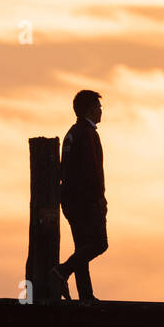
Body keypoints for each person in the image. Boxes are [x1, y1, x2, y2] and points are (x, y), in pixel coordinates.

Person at [53, 89, 108, 301]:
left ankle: (85, 294)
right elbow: (92, 170)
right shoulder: (87, 134)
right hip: (85, 201)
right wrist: (99, 199)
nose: (101, 110)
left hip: (70, 201)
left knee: (82, 246)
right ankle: (61, 272)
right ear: (90, 109)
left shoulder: (72, 133)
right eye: (98, 106)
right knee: (99, 243)